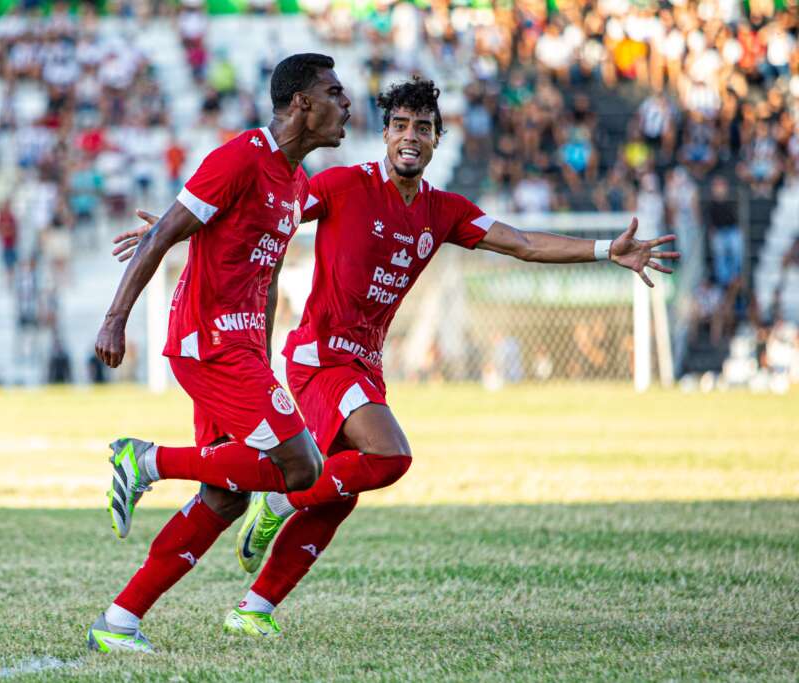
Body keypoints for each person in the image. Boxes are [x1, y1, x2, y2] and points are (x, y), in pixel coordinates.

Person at [113, 78, 679, 638]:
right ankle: (264, 494)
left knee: (335, 494)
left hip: (362, 365)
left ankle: (252, 609)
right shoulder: (341, 185)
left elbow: (522, 243)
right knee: (389, 456)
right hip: (318, 358)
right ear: (384, 135)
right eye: (401, 126)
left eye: (424, 129)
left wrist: (606, 250)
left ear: (438, 141)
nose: (412, 136)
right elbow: (263, 211)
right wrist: (183, 224)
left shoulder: (444, 210)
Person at [86, 53, 351, 655]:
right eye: (334, 93)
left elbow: (268, 272)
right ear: (302, 104)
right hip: (206, 344)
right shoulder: (239, 157)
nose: (347, 104)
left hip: (240, 351)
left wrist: (262, 357)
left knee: (226, 495)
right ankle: (146, 462)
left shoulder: (296, 181)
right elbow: (159, 236)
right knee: (302, 466)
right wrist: (115, 318)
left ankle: (119, 620)